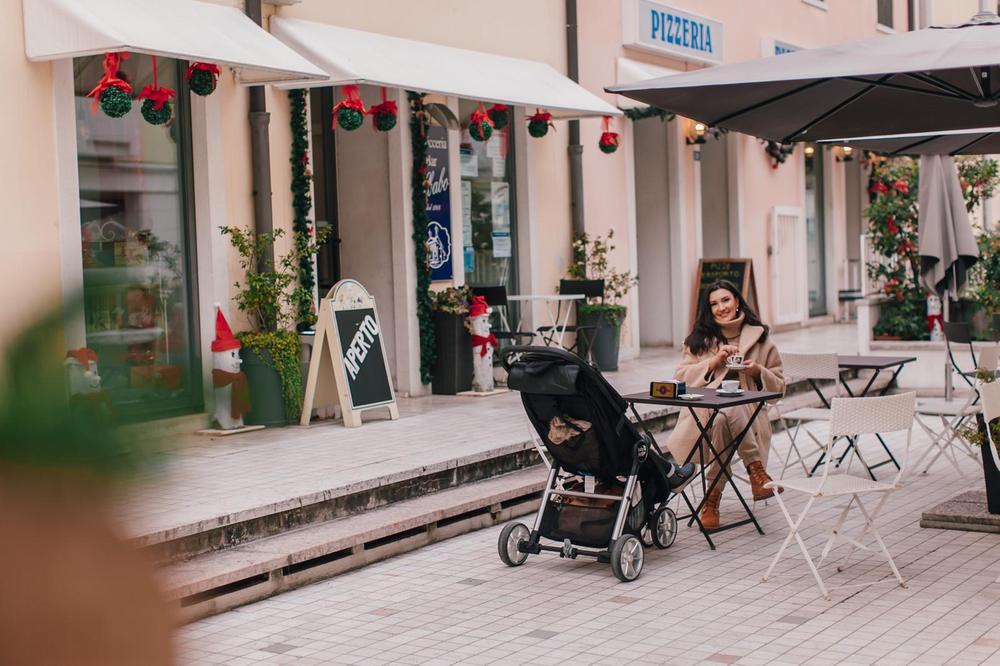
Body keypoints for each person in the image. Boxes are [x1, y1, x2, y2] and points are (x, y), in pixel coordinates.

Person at [666, 279, 785, 529]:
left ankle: (712, 499)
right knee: (724, 411)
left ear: (737, 301)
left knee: (726, 413)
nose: (721, 308)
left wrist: (757, 372)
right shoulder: (698, 340)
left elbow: (779, 388)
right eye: (714, 304)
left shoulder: (761, 338)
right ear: (708, 309)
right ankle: (756, 471)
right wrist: (713, 362)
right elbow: (680, 378)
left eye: (725, 300)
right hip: (703, 415)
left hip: (749, 416)